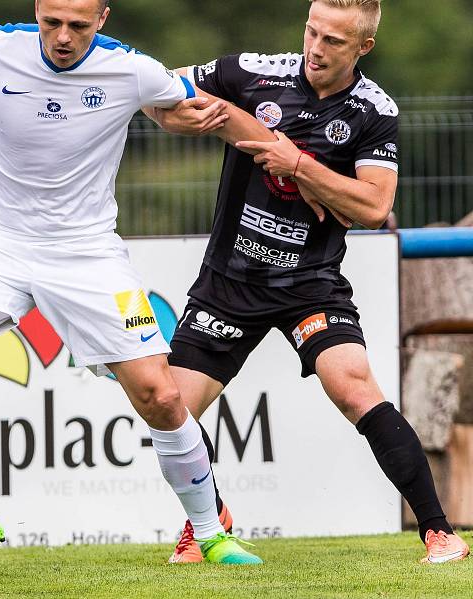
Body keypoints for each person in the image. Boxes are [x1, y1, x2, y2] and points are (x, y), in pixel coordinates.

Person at [0, 0, 273, 564]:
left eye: (79, 26)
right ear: (37, 11)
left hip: (88, 256)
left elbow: (196, 111)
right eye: (51, 22)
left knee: (160, 395)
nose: (63, 37)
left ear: (104, 18)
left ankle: (211, 533)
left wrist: (286, 158)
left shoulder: (132, 67)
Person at [149, 0, 469, 565]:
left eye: (334, 41)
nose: (317, 49)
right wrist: (174, 117)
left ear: (363, 48)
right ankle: (208, 520)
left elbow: (374, 207)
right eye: (312, 32)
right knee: (169, 405)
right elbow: (156, 90)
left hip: (310, 284)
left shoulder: (375, 110)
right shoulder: (253, 72)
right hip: (229, 283)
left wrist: (297, 164)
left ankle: (440, 533)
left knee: (353, 387)